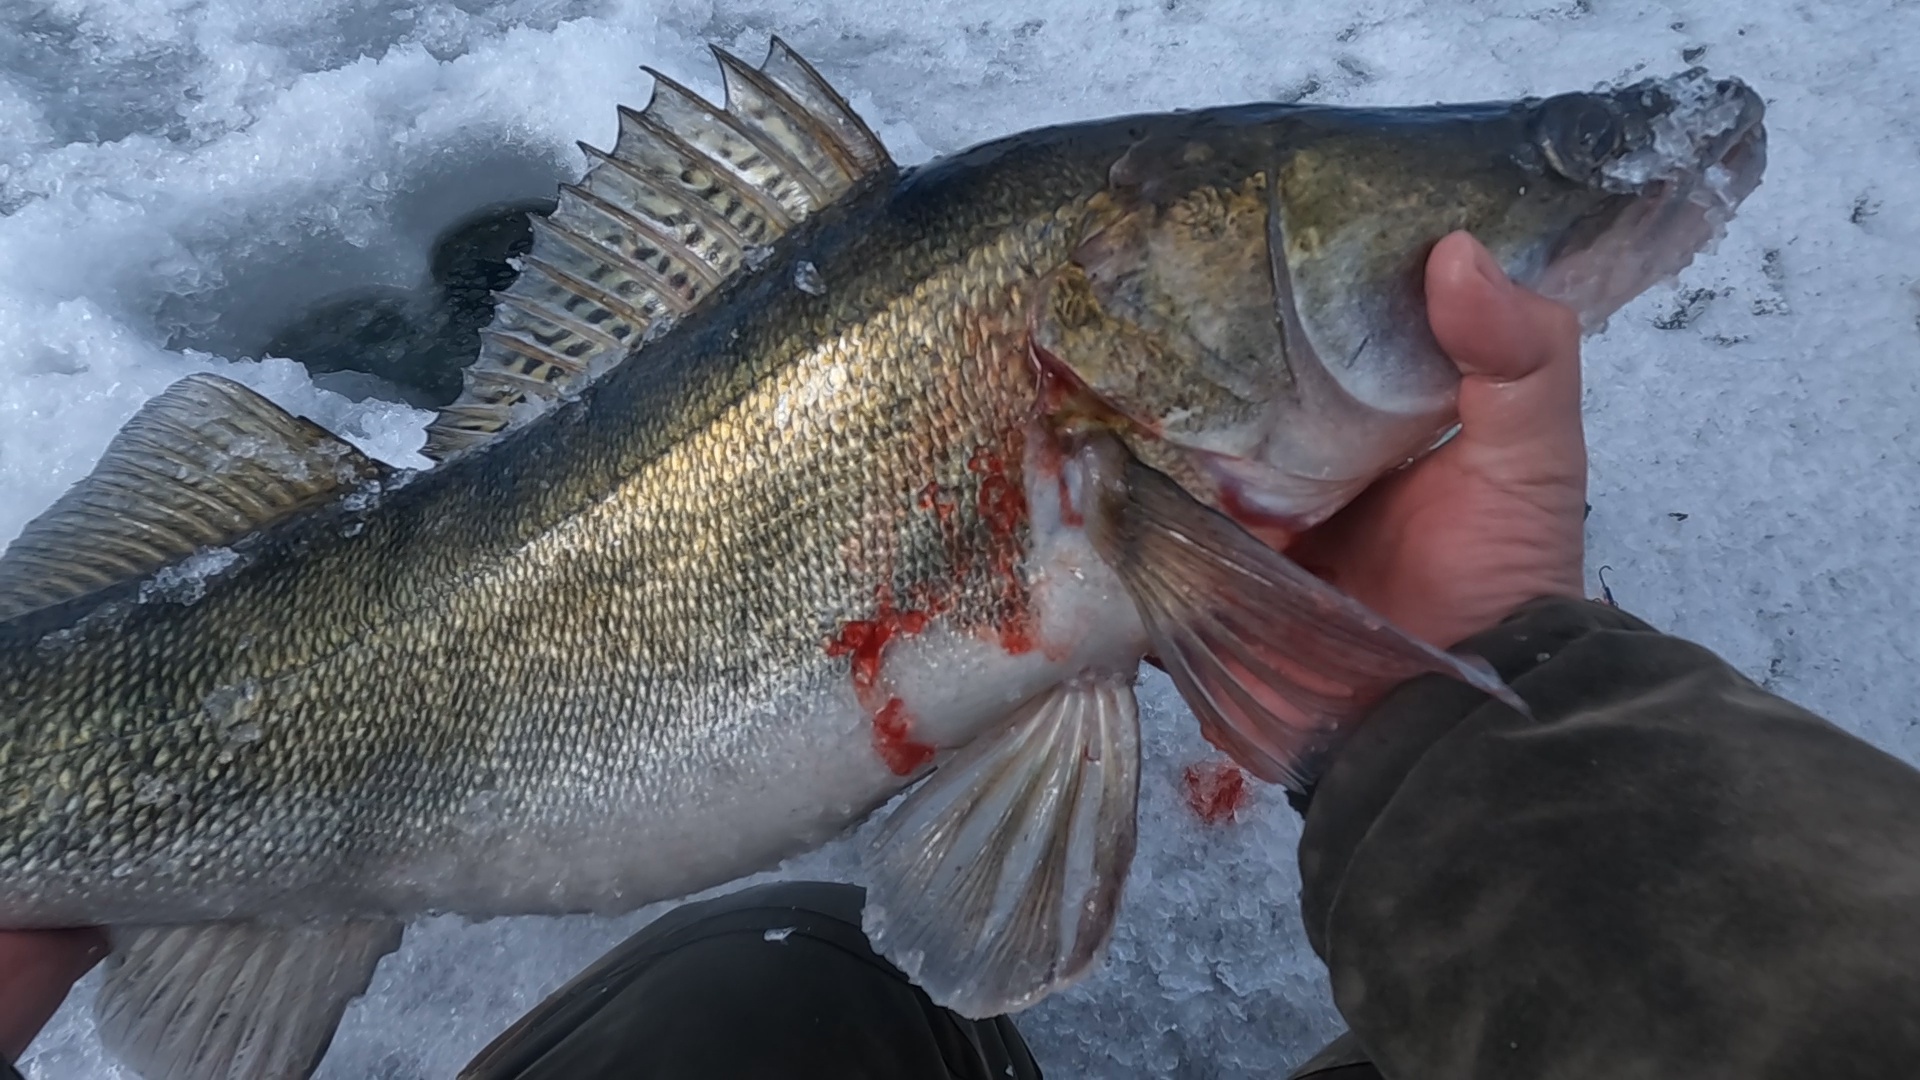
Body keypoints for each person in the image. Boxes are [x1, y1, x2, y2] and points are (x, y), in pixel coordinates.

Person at [5, 231, 1917, 1078]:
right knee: (791, 995)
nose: (1502, 251)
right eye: (1429, 231)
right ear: (1128, 328)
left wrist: (1444, 664)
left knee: (779, 1000)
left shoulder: (1126, 496)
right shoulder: (1111, 474)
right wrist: (1480, 681)